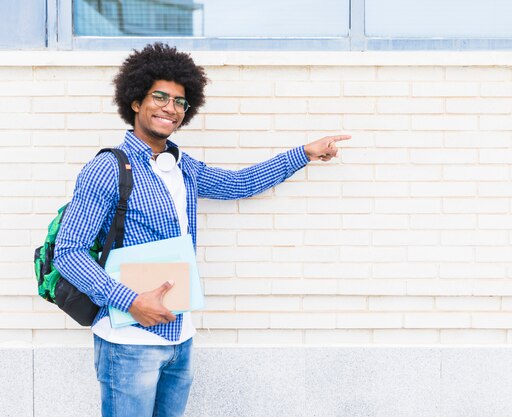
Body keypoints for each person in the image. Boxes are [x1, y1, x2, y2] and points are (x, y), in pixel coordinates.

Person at [53, 42, 350, 417]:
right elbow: (69, 252)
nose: (170, 108)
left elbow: (240, 184)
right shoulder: (108, 168)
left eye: (180, 101)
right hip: (128, 341)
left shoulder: (182, 166)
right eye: (159, 96)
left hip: (180, 337)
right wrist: (130, 300)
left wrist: (304, 152)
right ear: (134, 101)